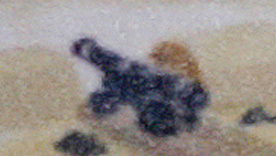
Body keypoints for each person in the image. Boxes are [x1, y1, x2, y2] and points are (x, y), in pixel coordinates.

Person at [72, 36, 207, 138]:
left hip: (154, 103)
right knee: (131, 77)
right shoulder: (160, 83)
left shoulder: (141, 79)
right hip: (157, 104)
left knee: (128, 76)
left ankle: (87, 49)